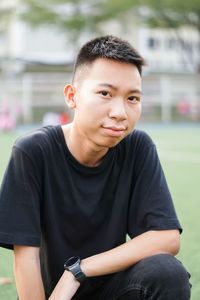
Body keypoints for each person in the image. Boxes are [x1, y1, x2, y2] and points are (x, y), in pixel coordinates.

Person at [0, 35, 191, 300]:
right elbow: (26, 258)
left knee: (167, 272)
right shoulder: (33, 152)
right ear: (72, 96)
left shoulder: (137, 147)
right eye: (105, 93)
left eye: (132, 98)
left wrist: (78, 271)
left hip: (113, 289)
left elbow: (166, 237)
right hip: (56, 296)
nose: (120, 112)